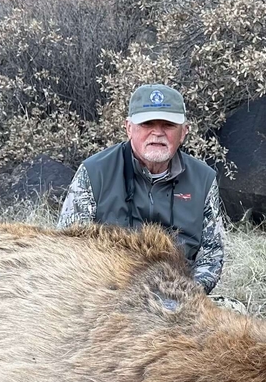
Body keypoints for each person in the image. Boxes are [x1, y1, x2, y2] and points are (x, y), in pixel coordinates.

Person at [57, 84, 226, 292]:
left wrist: (188, 294)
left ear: (184, 132)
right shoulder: (94, 172)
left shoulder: (204, 179)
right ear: (129, 128)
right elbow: (68, 248)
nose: (157, 133)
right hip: (108, 295)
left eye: (168, 125)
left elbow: (212, 254)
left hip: (179, 298)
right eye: (147, 124)